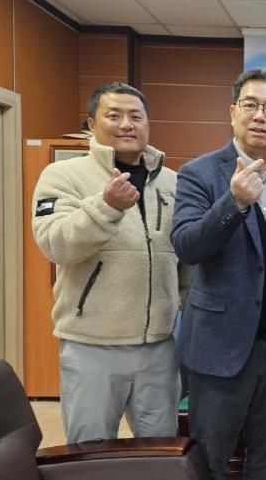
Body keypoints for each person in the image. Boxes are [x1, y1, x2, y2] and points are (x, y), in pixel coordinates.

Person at [170, 68, 266, 480]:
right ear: (233, 112)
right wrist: (232, 203)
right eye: (250, 105)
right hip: (220, 346)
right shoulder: (199, 172)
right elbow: (187, 246)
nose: (260, 116)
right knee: (211, 459)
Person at [31, 82, 180, 443]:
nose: (126, 124)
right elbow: (55, 244)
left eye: (136, 116)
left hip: (158, 347)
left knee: (160, 450)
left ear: (148, 123)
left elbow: (184, 257)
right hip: (92, 345)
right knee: (90, 452)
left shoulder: (172, 182)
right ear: (91, 124)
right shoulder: (63, 175)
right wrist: (106, 207)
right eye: (114, 115)